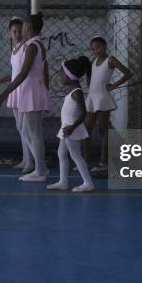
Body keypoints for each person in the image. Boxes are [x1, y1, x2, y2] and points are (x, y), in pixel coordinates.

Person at [0, 12, 51, 182]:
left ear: (29, 27)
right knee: (27, 130)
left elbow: (23, 73)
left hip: (32, 90)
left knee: (34, 133)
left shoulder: (34, 45)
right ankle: (41, 167)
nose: (22, 30)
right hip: (29, 90)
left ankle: (40, 171)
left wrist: (5, 93)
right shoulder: (32, 44)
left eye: (24, 26)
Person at [83, 37, 132, 175]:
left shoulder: (110, 60)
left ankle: (103, 163)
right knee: (86, 130)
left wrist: (114, 85)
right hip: (92, 98)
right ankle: (85, 161)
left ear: (104, 46)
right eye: (93, 48)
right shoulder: (94, 61)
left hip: (102, 98)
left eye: (98, 47)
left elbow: (128, 73)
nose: (96, 50)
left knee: (103, 131)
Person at [0, 17, 35, 173]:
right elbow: (14, 73)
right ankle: (26, 159)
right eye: (14, 31)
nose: (17, 34)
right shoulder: (15, 49)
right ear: (10, 33)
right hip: (15, 89)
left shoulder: (26, 47)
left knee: (26, 128)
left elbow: (23, 73)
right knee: (20, 127)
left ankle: (32, 162)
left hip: (23, 89)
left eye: (19, 31)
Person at [47, 56, 94, 193]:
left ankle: (88, 182)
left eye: (62, 74)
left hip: (71, 129)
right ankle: (63, 182)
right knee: (61, 154)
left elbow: (84, 114)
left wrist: (72, 127)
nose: (60, 77)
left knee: (76, 155)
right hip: (66, 128)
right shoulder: (72, 90)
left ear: (70, 76)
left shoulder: (77, 93)